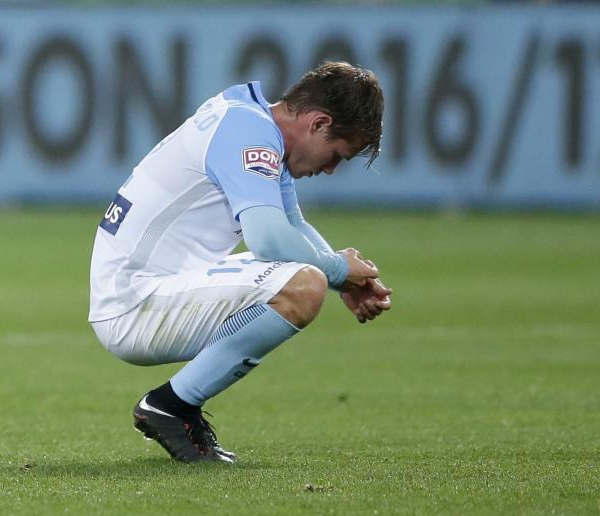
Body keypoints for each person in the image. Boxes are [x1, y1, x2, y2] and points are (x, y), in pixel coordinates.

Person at [89, 61, 392, 463]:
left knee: (308, 278)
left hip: (146, 286)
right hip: (134, 302)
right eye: (338, 154)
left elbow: (291, 224)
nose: (332, 169)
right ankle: (171, 406)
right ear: (318, 124)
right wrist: (334, 270)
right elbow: (267, 239)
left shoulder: (250, 120)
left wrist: (345, 281)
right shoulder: (248, 132)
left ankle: (173, 407)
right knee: (303, 286)